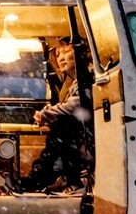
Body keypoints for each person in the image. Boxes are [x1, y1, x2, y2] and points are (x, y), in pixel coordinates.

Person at [20, 42, 89, 194]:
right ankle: (45, 175)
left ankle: (44, 176)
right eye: (58, 55)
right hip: (77, 132)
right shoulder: (72, 82)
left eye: (66, 52)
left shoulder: (86, 80)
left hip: (84, 133)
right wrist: (49, 114)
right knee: (60, 129)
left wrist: (46, 114)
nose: (61, 58)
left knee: (62, 127)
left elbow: (74, 106)